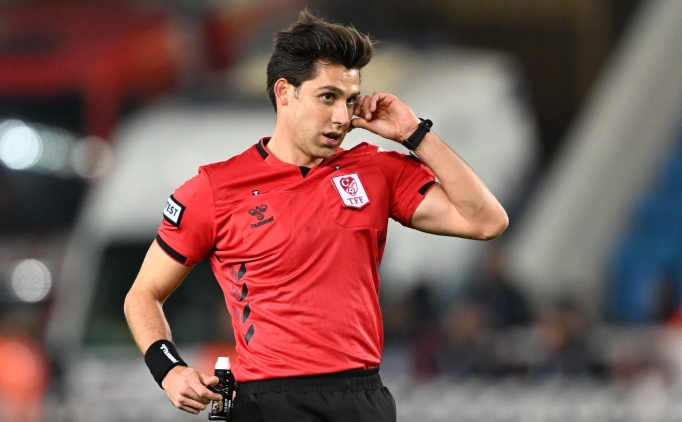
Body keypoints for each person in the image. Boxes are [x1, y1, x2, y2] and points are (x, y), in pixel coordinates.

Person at [124, 10, 508, 422]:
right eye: (327, 97)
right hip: (268, 402)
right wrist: (169, 370)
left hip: (362, 399)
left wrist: (415, 133)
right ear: (285, 92)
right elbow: (143, 294)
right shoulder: (214, 189)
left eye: (349, 99)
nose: (342, 117)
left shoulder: (376, 170)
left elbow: (486, 221)